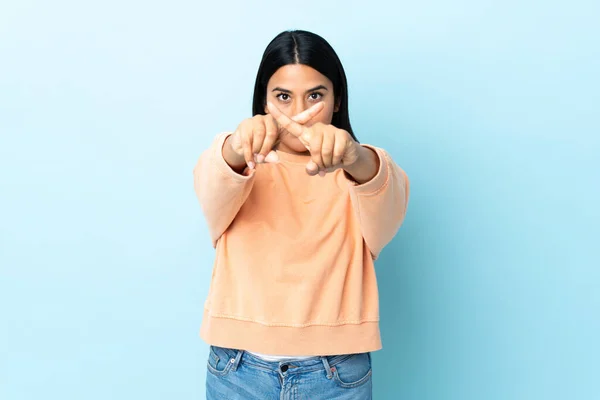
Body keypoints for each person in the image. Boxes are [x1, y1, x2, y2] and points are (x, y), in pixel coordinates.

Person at [193, 29, 410, 399]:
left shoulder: (363, 171)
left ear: (337, 99)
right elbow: (211, 182)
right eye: (283, 97)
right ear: (264, 101)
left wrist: (355, 157)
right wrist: (235, 146)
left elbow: (388, 204)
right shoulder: (237, 167)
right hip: (236, 371)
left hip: (336, 374)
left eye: (315, 95)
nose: (299, 113)